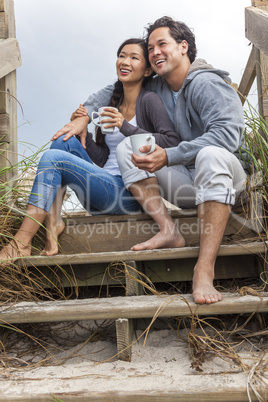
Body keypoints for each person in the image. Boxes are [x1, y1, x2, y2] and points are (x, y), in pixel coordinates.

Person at [61, 17, 248, 305]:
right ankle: (168, 230)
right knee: (128, 146)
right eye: (151, 48)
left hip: (228, 182)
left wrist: (170, 155)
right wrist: (84, 116)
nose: (155, 52)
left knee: (211, 155)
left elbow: (227, 137)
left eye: (163, 44)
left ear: (183, 46)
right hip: (187, 184)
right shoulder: (157, 87)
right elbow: (110, 91)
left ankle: (204, 268)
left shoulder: (207, 83)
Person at [0, 37, 181, 262]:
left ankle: (21, 242)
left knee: (53, 157)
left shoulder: (150, 100)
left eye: (134, 58)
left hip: (129, 195)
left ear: (146, 71)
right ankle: (53, 223)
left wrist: (123, 126)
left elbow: (171, 141)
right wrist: (83, 136)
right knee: (63, 141)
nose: (125, 61)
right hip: (103, 186)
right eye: (122, 55)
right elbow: (104, 159)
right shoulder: (111, 104)